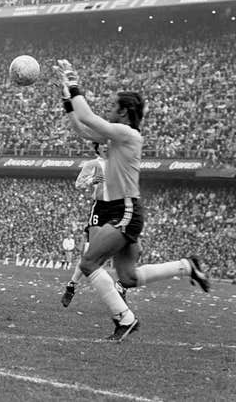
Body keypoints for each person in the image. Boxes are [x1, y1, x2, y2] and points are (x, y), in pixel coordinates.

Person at [55, 60, 210, 342]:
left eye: (114, 107)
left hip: (124, 210)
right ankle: (187, 266)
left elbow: (89, 118)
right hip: (125, 210)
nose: (110, 111)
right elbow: (84, 129)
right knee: (127, 278)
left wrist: (73, 83)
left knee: (89, 263)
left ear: (125, 112)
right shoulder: (120, 137)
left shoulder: (128, 134)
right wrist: (67, 100)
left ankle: (125, 319)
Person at [61, 142, 127, 307]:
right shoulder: (92, 164)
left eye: (108, 144)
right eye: (102, 144)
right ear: (97, 148)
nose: (106, 147)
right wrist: (91, 180)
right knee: (91, 253)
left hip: (117, 209)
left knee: (124, 245)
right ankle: (72, 285)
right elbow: (78, 184)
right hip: (100, 209)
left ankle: (121, 284)